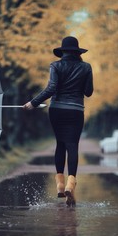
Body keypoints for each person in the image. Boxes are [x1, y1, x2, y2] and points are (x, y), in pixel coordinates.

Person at [23, 36, 93, 206]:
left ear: (62, 51)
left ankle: (60, 185)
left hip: (57, 110)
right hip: (76, 110)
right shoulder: (86, 67)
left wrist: (33, 102)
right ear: (77, 52)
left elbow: (52, 88)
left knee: (60, 144)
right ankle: (71, 184)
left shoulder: (55, 65)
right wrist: (82, 77)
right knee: (72, 146)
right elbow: (88, 92)